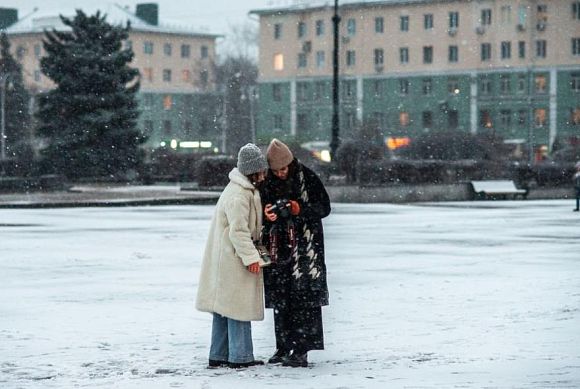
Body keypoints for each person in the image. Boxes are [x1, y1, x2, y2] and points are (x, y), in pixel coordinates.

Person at [196, 143, 269, 369]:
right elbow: (239, 231)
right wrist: (251, 259)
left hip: (224, 259)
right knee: (238, 307)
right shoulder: (240, 195)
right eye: (262, 170)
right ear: (252, 171)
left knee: (223, 309)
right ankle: (240, 357)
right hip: (233, 260)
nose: (265, 174)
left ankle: (218, 355)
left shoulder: (238, 189)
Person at [260, 138, 331, 368]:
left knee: (304, 300)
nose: (280, 173)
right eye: (276, 170)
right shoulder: (267, 181)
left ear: (291, 163)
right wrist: (268, 214)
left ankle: (301, 349)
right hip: (278, 248)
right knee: (281, 299)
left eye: (283, 169)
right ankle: (283, 346)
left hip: (305, 253)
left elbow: (324, 208)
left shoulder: (307, 177)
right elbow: (260, 208)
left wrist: (299, 208)